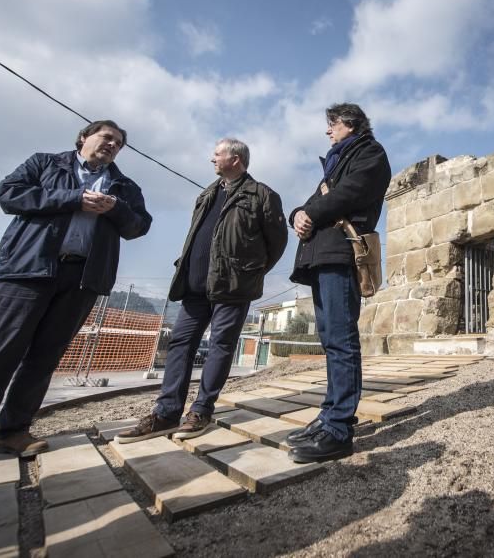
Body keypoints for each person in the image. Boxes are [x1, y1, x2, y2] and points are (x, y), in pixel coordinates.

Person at [0, 120, 151, 475]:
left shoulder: (123, 187)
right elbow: (9, 194)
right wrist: (73, 198)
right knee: (0, 352)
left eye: (119, 143)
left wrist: (115, 208)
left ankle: (14, 430)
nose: (112, 145)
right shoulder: (45, 164)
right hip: (29, 271)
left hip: (82, 279)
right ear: (83, 138)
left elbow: (139, 226)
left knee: (45, 357)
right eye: (106, 137)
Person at [117, 138, 287, 443]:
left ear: (235, 159)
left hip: (234, 288)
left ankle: (201, 410)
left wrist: (249, 272)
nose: (212, 159)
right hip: (195, 287)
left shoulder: (262, 195)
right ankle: (166, 414)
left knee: (221, 345)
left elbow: (277, 243)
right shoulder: (207, 193)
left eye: (217, 154)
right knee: (180, 345)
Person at [286, 103, 390, 463]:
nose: (328, 131)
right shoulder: (335, 161)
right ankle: (330, 414)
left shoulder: (370, 153)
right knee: (331, 338)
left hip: (342, 252)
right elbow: (318, 200)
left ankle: (339, 429)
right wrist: (297, 214)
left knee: (342, 339)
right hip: (322, 253)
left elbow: (349, 194)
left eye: (332, 124)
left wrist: (311, 212)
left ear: (351, 124)